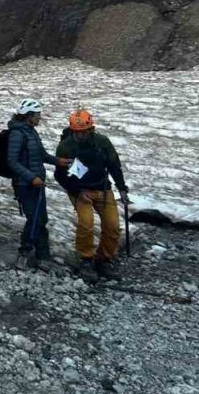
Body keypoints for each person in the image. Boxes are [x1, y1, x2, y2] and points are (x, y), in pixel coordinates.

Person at [54, 109, 128, 283]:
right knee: (86, 223)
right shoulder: (66, 146)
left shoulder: (102, 142)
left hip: (102, 188)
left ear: (90, 129)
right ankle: (86, 259)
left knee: (113, 226)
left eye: (83, 132)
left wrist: (121, 188)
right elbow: (60, 175)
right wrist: (78, 192)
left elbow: (114, 165)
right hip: (79, 190)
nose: (80, 136)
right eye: (77, 132)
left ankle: (104, 259)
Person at [6, 98, 60, 270]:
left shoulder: (31, 131)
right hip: (25, 184)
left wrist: (59, 161)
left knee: (40, 218)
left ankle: (43, 255)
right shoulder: (17, 134)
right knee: (34, 218)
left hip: (37, 183)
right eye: (37, 114)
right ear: (28, 116)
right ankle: (25, 251)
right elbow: (12, 161)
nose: (39, 118)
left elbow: (41, 154)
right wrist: (31, 178)